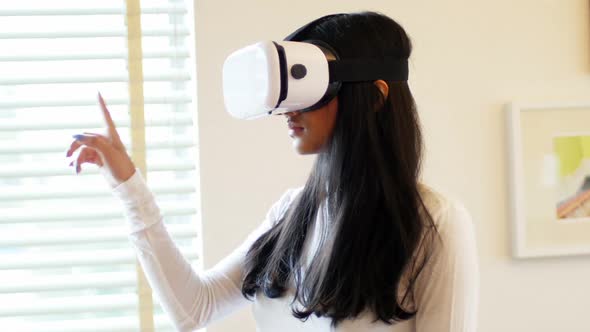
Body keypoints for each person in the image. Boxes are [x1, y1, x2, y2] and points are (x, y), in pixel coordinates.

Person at [66, 11, 478, 332]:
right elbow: (195, 307)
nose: (288, 109)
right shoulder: (291, 214)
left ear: (374, 97)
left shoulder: (433, 223)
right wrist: (129, 187)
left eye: (309, 88)